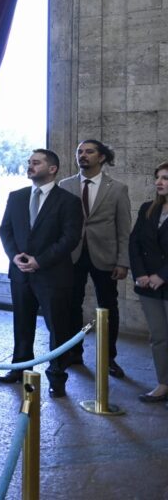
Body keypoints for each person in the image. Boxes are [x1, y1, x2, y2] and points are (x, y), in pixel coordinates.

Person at [0, 149, 81, 398]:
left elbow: (70, 238)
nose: (30, 166)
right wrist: (14, 256)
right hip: (20, 273)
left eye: (36, 162)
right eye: (29, 162)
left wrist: (39, 261)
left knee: (57, 327)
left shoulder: (68, 201)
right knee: (22, 324)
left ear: (52, 168)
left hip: (52, 275)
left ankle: (57, 377)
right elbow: (5, 230)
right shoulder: (17, 196)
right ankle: (20, 368)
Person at [58, 139, 132, 377]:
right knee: (71, 305)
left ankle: (109, 358)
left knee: (108, 307)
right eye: (79, 151)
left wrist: (123, 261)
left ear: (101, 157)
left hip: (106, 256)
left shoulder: (117, 188)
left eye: (89, 152)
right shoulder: (65, 185)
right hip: (72, 255)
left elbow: (124, 228)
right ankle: (73, 353)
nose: (83, 155)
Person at [129, 161, 168, 403]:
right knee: (158, 336)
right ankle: (163, 383)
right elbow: (135, 244)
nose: (159, 182)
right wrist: (141, 274)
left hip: (164, 280)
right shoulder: (147, 209)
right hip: (148, 287)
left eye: (165, 178)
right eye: (158, 177)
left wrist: (162, 275)